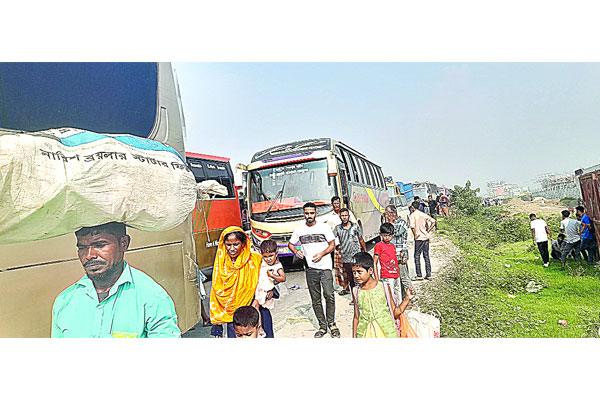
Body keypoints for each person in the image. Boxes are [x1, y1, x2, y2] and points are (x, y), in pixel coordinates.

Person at [51, 222, 180, 338]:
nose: (89, 255)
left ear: (123, 244)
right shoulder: (64, 301)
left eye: (99, 245)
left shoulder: (152, 298)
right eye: (82, 248)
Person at [288, 202, 339, 338]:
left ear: (315, 213)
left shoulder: (324, 227)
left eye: (311, 213)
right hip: (310, 269)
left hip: (325, 268)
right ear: (303, 214)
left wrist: (322, 254)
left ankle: (332, 324)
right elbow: (291, 244)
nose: (309, 216)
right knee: (315, 299)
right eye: (307, 213)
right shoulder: (299, 229)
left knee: (329, 295)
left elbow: (332, 245)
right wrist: (296, 252)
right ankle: (322, 326)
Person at [210, 226, 262, 338]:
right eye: (228, 245)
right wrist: (217, 326)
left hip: (252, 314)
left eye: (236, 244)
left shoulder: (254, 260)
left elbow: (265, 281)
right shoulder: (221, 265)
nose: (232, 248)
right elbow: (216, 294)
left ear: (243, 244)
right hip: (233, 321)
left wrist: (262, 296)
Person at [351, 252, 414, 338]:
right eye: (354, 272)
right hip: (364, 334)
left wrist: (407, 298)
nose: (356, 276)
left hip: (387, 334)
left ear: (370, 270)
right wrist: (354, 337)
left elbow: (395, 312)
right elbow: (356, 317)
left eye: (359, 272)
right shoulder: (356, 291)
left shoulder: (383, 287)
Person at [253, 239, 286, 338]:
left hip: (265, 290)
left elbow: (283, 278)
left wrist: (273, 276)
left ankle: (260, 328)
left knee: (255, 306)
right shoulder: (259, 262)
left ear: (276, 254)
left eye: (271, 256)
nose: (268, 259)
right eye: (266, 257)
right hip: (258, 289)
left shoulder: (277, 266)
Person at [332, 207, 366, 302]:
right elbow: (331, 239)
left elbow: (361, 239)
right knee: (351, 278)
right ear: (340, 216)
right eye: (342, 216)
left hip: (357, 256)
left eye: (345, 215)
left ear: (349, 216)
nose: (344, 217)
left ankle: (362, 296)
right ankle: (354, 298)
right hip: (346, 258)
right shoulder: (337, 229)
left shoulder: (355, 226)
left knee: (359, 277)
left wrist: (365, 251)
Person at [384, 205, 414, 299]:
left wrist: (389, 222)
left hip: (400, 253)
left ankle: (410, 297)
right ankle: (402, 297)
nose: (386, 216)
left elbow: (395, 232)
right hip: (392, 254)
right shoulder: (390, 223)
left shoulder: (402, 223)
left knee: (404, 278)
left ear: (393, 213)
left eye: (387, 213)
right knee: (396, 278)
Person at [373, 223, 403, 304]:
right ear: (381, 235)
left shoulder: (393, 246)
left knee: (398, 295)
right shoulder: (379, 246)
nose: (387, 237)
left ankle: (398, 312)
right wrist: (376, 278)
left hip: (396, 274)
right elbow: (374, 262)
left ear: (392, 235)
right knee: (390, 297)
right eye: (384, 235)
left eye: (389, 235)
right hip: (387, 275)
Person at [408, 200, 437, 280]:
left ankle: (419, 274)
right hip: (425, 237)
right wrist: (428, 231)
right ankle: (428, 274)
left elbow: (412, 227)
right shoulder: (423, 214)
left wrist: (415, 235)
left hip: (419, 238)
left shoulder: (412, 216)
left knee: (417, 256)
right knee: (426, 256)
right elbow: (434, 221)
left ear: (413, 208)